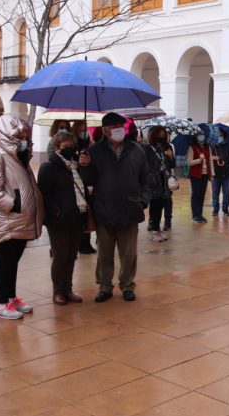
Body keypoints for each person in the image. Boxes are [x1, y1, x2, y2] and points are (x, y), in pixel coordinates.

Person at [0, 116, 44, 319]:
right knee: (5, 261)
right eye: (20, 136)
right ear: (8, 136)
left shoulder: (20, 158)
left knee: (13, 261)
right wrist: (14, 204)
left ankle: (11, 298)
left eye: (26, 136)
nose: (24, 139)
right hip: (8, 220)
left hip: (20, 220)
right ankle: (1, 303)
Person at [78, 112, 150, 303]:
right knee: (104, 252)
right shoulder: (94, 152)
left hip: (130, 208)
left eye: (120, 126)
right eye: (113, 127)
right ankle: (104, 286)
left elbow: (146, 179)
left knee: (129, 253)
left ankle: (127, 285)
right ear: (105, 130)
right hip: (104, 208)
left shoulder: (137, 150)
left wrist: (143, 200)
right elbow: (88, 180)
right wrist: (84, 166)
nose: (118, 130)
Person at [37, 131, 86, 305]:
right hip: (59, 219)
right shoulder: (48, 167)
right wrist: (56, 211)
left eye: (72, 146)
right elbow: (44, 192)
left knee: (72, 255)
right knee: (61, 256)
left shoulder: (74, 165)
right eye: (65, 147)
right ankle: (58, 291)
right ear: (57, 148)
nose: (69, 149)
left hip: (76, 216)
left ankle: (68, 289)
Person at [143, 126, 175, 242]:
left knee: (161, 203)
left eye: (163, 135)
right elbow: (144, 165)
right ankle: (154, 229)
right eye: (159, 135)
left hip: (164, 180)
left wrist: (170, 156)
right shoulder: (146, 148)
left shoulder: (166, 147)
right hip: (152, 181)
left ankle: (157, 228)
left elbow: (171, 164)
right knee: (155, 204)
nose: (161, 137)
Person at [70, 120, 96, 255]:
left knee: (88, 212)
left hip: (87, 183)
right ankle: (80, 242)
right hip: (76, 181)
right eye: (81, 126)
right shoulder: (72, 143)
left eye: (85, 126)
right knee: (80, 212)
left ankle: (86, 242)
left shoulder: (90, 144)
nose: (84, 129)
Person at [187, 131, 213, 223]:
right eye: (199, 135)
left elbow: (210, 161)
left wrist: (212, 174)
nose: (201, 136)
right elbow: (189, 162)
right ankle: (195, 215)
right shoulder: (192, 147)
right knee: (196, 194)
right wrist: (199, 160)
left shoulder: (207, 147)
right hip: (195, 175)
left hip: (205, 175)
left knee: (202, 195)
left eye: (203, 134)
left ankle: (199, 214)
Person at [210, 130, 229, 216]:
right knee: (215, 192)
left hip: (227, 173)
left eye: (221, 135)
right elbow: (207, 156)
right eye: (218, 135)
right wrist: (213, 157)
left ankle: (225, 209)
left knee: (226, 192)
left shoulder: (228, 146)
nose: (220, 137)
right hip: (215, 174)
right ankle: (215, 209)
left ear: (224, 137)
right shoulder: (212, 146)